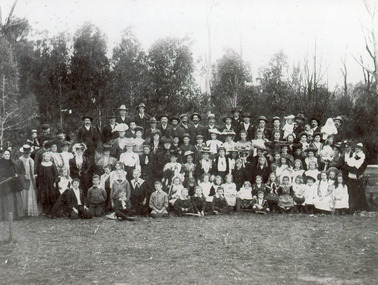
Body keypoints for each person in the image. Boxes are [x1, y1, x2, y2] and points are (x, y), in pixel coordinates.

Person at [15, 145, 40, 217]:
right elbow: (18, 171)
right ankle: (23, 211)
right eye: (25, 153)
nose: (27, 155)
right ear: (23, 153)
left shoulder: (31, 160)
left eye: (28, 153)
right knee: (24, 193)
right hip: (23, 180)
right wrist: (24, 175)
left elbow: (33, 170)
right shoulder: (19, 160)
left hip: (31, 179)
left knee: (31, 193)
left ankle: (30, 211)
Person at [343, 142, 368, 213]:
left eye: (358, 149)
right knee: (351, 192)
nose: (357, 150)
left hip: (358, 178)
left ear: (361, 149)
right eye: (356, 148)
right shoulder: (352, 156)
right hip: (350, 177)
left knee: (358, 192)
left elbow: (360, 169)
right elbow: (346, 166)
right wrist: (351, 168)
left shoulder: (363, 158)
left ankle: (358, 208)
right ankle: (351, 208)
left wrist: (353, 169)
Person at [0, 149, 24, 221]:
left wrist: (15, 174)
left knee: (15, 197)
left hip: (13, 182)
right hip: (5, 183)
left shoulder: (12, 162)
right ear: (2, 155)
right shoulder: (1, 163)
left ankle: (17, 215)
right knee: (8, 198)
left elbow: (15, 171)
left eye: (8, 154)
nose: (7, 156)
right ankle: (8, 216)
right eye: (5, 154)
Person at [36, 152, 60, 216]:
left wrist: (55, 182)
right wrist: (40, 183)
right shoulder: (41, 165)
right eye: (46, 157)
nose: (47, 158)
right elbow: (40, 175)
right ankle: (45, 210)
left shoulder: (52, 165)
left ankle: (51, 210)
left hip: (51, 182)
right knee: (44, 196)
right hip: (44, 183)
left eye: (49, 157)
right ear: (44, 157)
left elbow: (56, 174)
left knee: (51, 195)